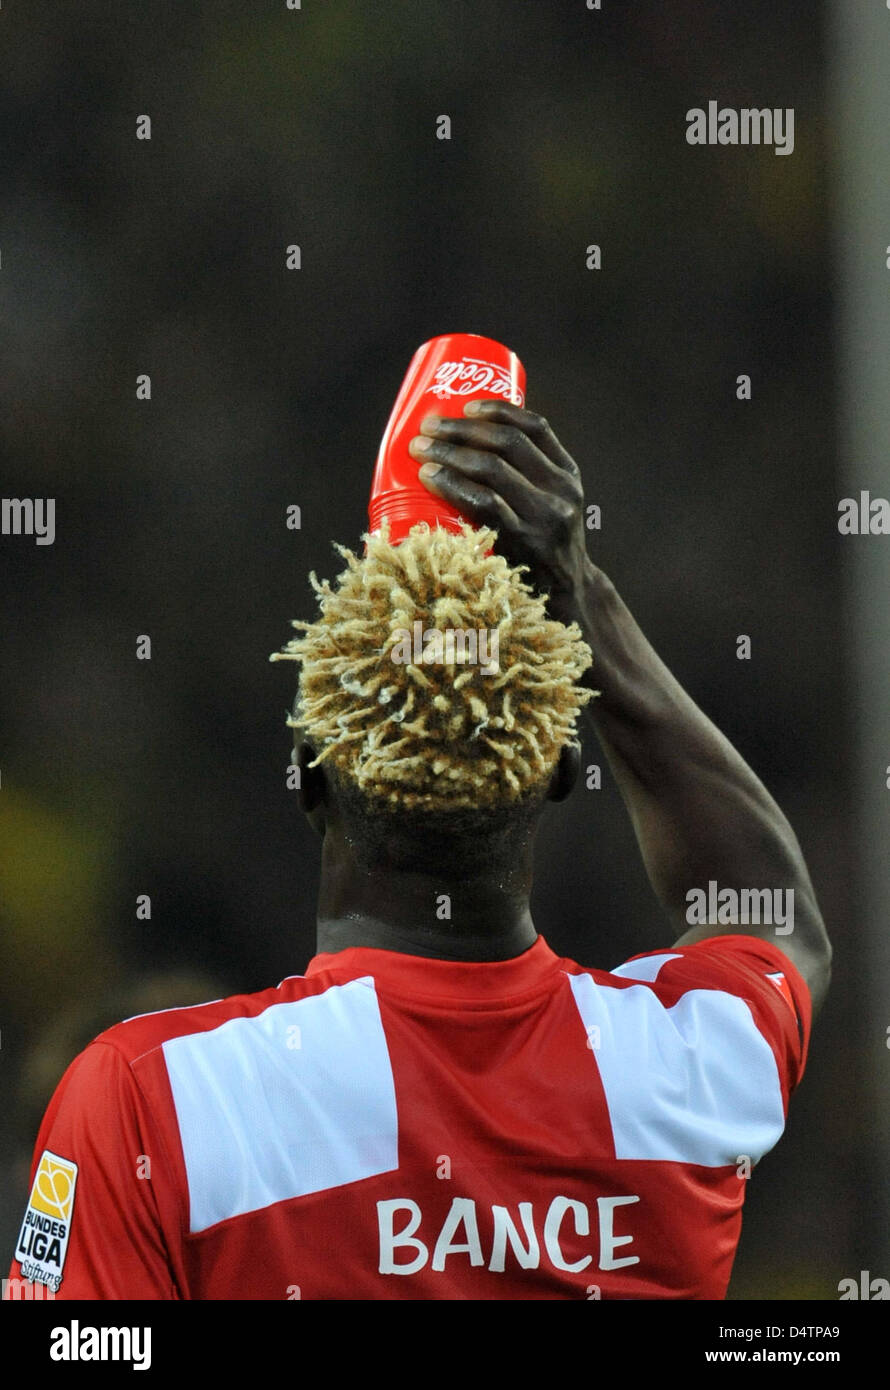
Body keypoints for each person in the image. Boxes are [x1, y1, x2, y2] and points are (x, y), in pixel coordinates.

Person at [6, 401, 831, 1300]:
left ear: (308, 778)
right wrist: (579, 590)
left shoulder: (151, 1098)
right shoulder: (688, 1066)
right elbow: (771, 910)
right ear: (561, 770)